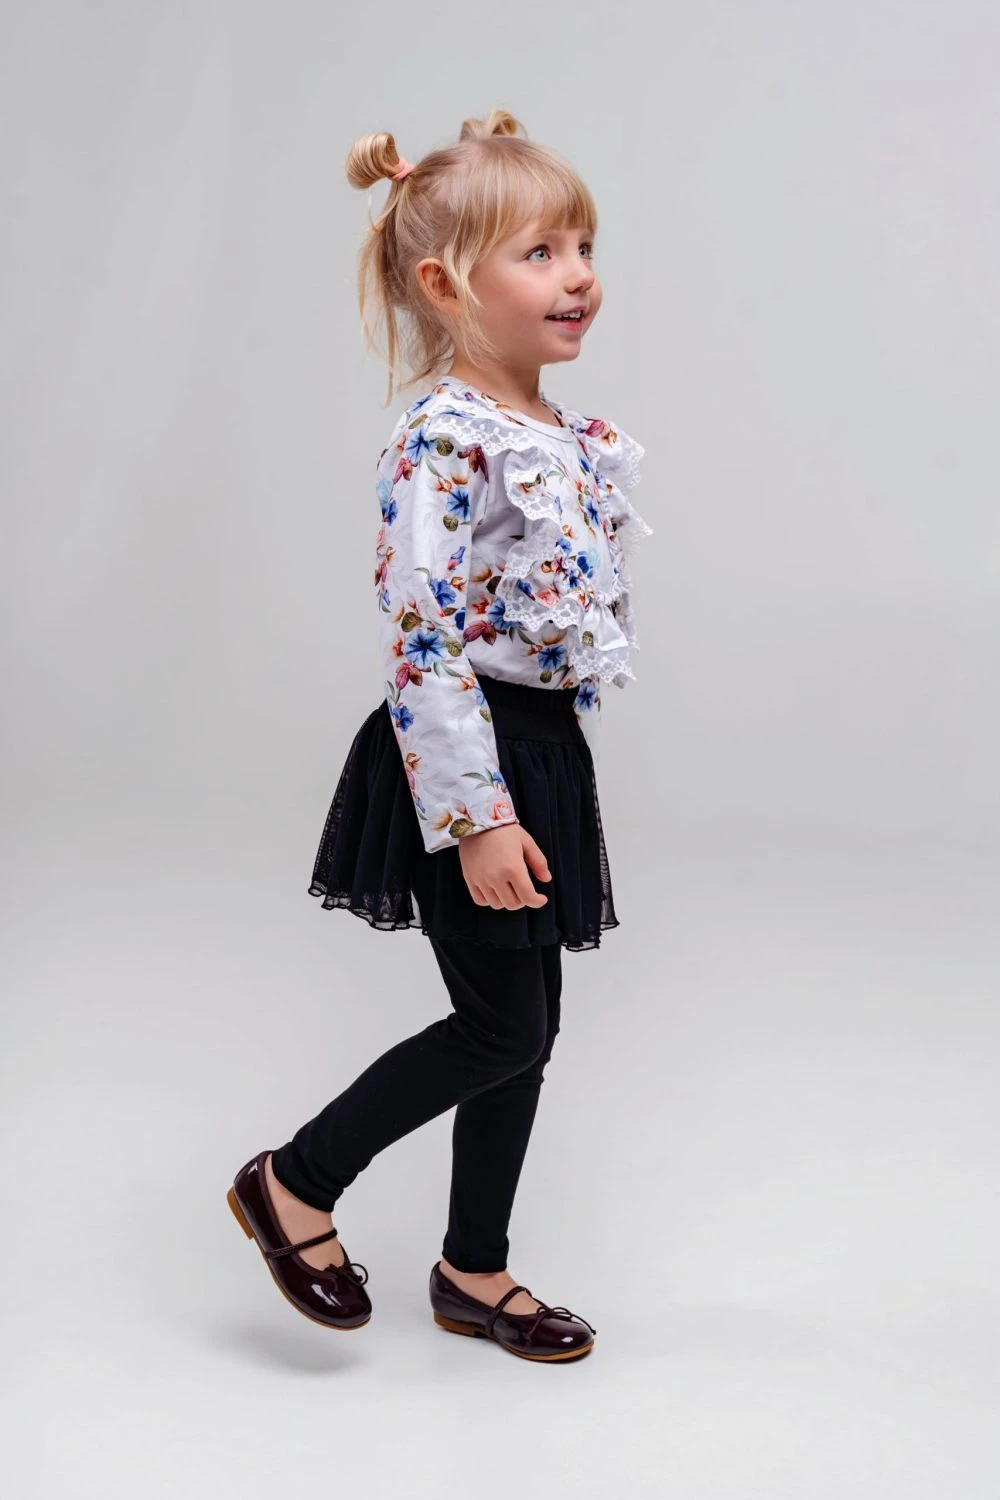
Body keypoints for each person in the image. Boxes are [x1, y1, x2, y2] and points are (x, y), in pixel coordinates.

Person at [227, 108, 653, 1364]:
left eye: (583, 246)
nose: (576, 275)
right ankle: (294, 1182)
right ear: (445, 284)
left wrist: (543, 777)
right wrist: (476, 815)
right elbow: (420, 634)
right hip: (460, 761)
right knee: (500, 1026)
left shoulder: (563, 437)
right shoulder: (443, 438)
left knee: (528, 1028)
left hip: (539, 753)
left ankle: (474, 1268)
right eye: (539, 252)